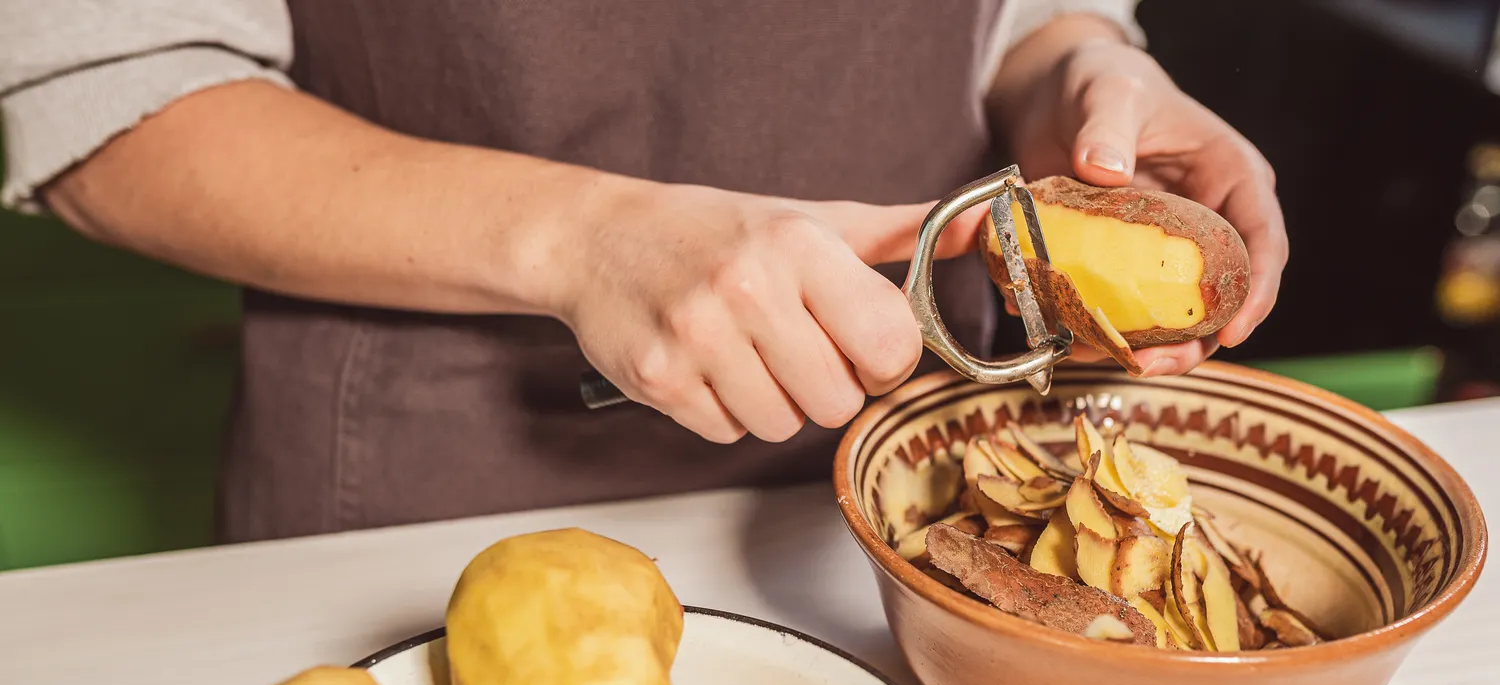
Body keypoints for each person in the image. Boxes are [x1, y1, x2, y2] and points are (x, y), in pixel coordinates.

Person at [0, 1, 1285, 543]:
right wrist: (581, 240)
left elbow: (1015, 16)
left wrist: (1079, 75)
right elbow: (112, 92)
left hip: (929, 503)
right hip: (439, 507)